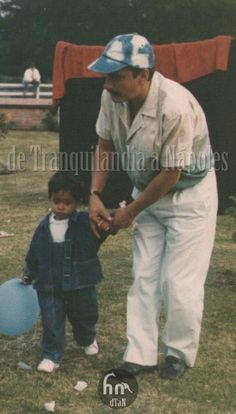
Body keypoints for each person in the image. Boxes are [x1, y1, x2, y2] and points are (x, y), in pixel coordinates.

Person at [88, 33, 218, 380]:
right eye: (106, 76)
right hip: (147, 189)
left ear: (143, 75)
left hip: (188, 195)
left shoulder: (173, 106)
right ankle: (140, 354)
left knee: (179, 282)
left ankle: (177, 354)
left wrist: (129, 212)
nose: (107, 84)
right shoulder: (112, 99)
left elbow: (171, 174)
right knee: (144, 276)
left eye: (115, 77)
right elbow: (104, 145)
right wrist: (95, 195)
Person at [21, 171, 108, 373]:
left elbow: (103, 231)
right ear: (50, 198)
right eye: (56, 201)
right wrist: (28, 273)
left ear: (77, 202)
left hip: (81, 283)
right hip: (49, 284)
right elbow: (34, 252)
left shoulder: (86, 223)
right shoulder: (43, 227)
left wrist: (111, 223)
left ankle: (87, 338)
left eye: (67, 202)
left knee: (85, 315)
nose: (60, 206)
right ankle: (51, 355)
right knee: (51, 320)